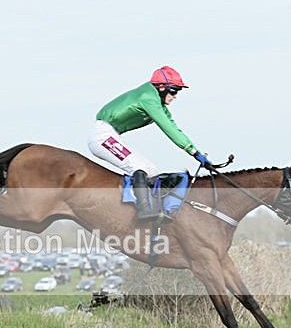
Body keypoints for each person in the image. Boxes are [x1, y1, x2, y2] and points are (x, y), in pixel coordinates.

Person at [88, 65, 212, 222]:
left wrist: (196, 151)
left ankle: (151, 209)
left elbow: (173, 126)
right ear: (161, 87)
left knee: (151, 170)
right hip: (102, 135)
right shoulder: (148, 99)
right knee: (138, 167)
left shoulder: (157, 102)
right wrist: (194, 153)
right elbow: (169, 129)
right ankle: (143, 211)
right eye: (174, 91)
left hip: (110, 133)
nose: (175, 96)